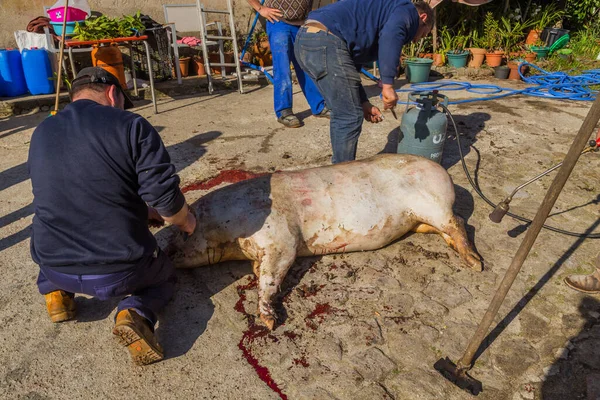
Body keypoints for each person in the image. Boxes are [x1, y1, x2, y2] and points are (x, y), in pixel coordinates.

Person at [28, 67, 196, 365]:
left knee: (51, 228)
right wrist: (185, 221)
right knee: (164, 277)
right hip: (119, 272)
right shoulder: (131, 125)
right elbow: (166, 200)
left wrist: (144, 213)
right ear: (112, 93)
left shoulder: (42, 131)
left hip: (53, 264)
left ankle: (57, 297)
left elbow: (67, 194)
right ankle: (134, 312)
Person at [294, 0, 434, 163]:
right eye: (424, 33)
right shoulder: (406, 10)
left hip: (307, 40)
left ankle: (340, 170)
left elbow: (351, 68)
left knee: (347, 111)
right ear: (423, 17)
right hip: (325, 41)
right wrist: (388, 85)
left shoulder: (378, 17)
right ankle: (342, 177)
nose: (417, 40)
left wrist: (363, 102)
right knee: (348, 116)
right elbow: (391, 35)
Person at [246, 0, 329, 128]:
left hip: (303, 24)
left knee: (307, 66)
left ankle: (318, 106)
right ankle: (284, 111)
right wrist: (260, 8)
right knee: (283, 67)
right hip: (279, 22)